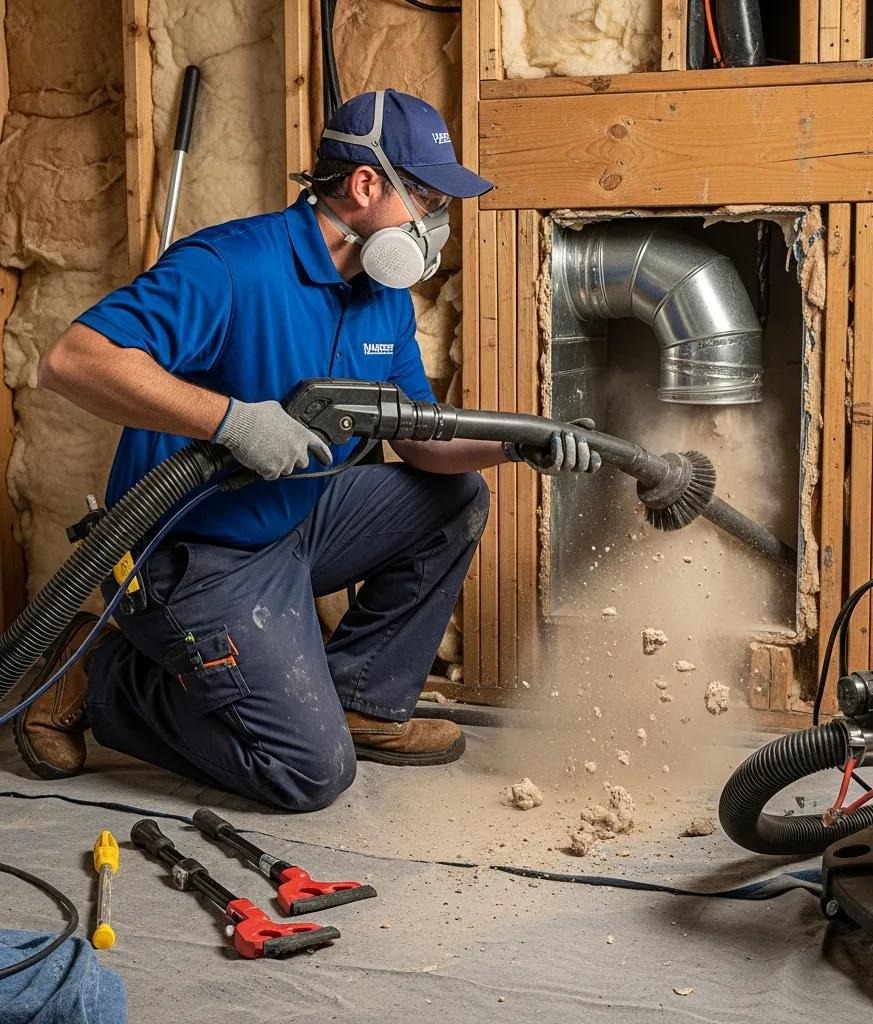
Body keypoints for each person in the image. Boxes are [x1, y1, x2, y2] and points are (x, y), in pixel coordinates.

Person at [13, 89, 599, 812]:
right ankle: (104, 675)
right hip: (194, 554)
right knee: (306, 773)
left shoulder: (381, 297)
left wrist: (520, 445)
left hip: (295, 522)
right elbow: (73, 360)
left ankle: (359, 701)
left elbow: (421, 442)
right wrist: (230, 420)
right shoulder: (232, 267)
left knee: (455, 498)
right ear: (364, 185)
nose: (438, 222)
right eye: (426, 197)